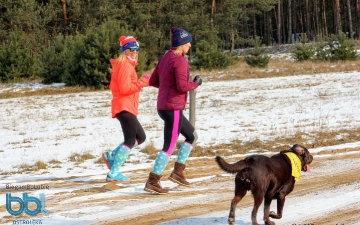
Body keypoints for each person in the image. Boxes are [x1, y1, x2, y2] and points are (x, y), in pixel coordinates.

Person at [144, 27, 203, 194]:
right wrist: (196, 84)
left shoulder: (165, 58)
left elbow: (154, 80)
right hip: (173, 108)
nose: (190, 45)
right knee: (169, 146)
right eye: (188, 42)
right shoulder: (180, 60)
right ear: (182, 44)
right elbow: (182, 86)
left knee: (192, 136)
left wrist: (168, 86)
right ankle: (153, 180)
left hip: (165, 107)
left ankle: (178, 172)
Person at [102, 35, 150, 183]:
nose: (135, 52)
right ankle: (113, 173)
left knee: (140, 137)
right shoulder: (124, 66)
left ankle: (111, 156)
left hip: (127, 106)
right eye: (132, 49)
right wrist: (143, 82)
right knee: (130, 140)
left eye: (137, 49)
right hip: (124, 106)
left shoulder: (127, 65)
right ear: (125, 50)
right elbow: (124, 88)